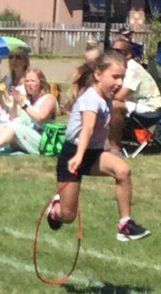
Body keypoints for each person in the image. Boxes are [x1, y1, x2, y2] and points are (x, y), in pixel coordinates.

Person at [47, 51, 150, 242]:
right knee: (68, 216)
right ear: (98, 74)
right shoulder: (91, 99)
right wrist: (79, 156)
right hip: (73, 155)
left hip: (93, 154)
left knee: (123, 170)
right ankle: (55, 210)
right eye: (115, 77)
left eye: (122, 77)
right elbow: (87, 128)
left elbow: (104, 129)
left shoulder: (107, 99)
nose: (119, 82)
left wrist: (110, 148)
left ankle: (125, 224)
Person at [0, 67, 58, 158]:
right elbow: (12, 117)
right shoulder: (27, 99)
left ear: (41, 83)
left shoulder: (49, 99)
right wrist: (16, 102)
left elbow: (41, 118)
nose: (29, 84)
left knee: (14, 127)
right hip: (25, 137)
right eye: (27, 81)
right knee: (4, 124)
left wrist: (24, 105)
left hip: (42, 141)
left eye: (33, 81)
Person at [106, 35, 161, 152]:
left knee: (115, 105)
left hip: (151, 109)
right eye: (113, 50)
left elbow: (120, 96)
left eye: (119, 51)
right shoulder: (119, 68)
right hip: (136, 105)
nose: (114, 54)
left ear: (129, 55)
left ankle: (115, 146)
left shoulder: (132, 68)